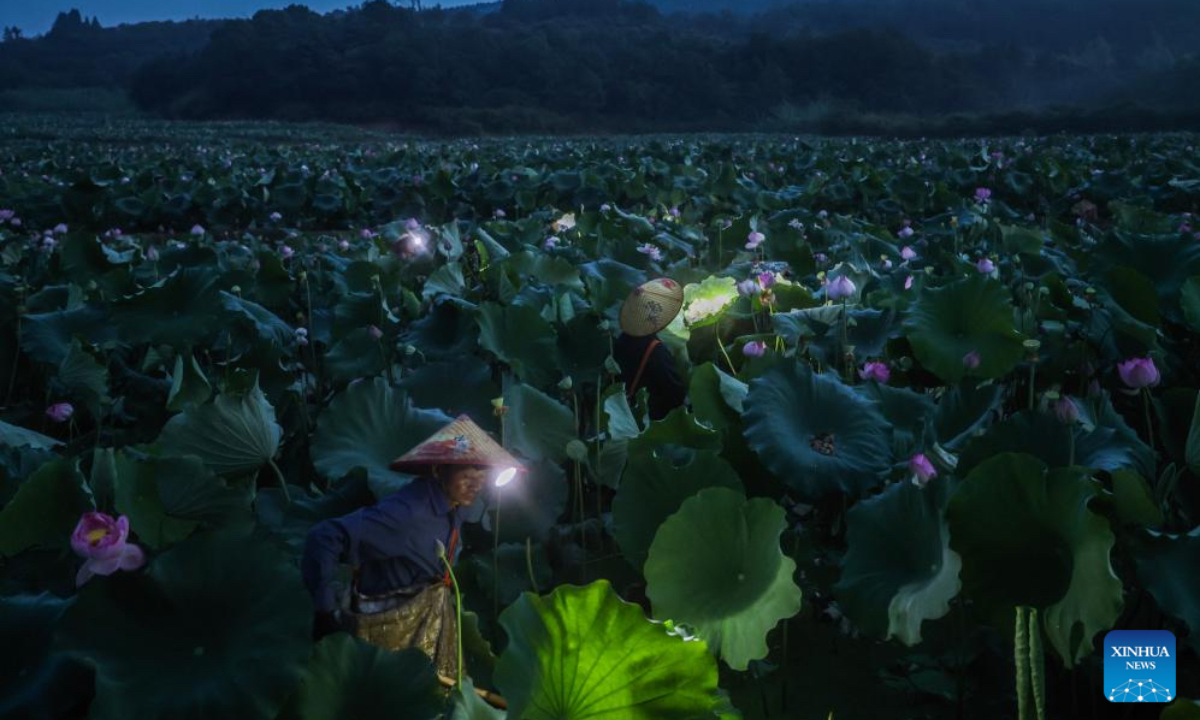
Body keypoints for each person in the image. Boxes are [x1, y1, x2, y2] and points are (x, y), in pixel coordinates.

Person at [301, 414, 523, 681]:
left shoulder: (457, 505)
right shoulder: (407, 513)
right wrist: (325, 612)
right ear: (439, 470)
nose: (477, 483)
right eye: (467, 472)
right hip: (386, 630)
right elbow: (323, 537)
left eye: (482, 472)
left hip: (429, 622)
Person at [613, 277, 688, 421]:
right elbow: (675, 393)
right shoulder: (656, 350)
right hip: (651, 421)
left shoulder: (620, 340)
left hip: (623, 417)